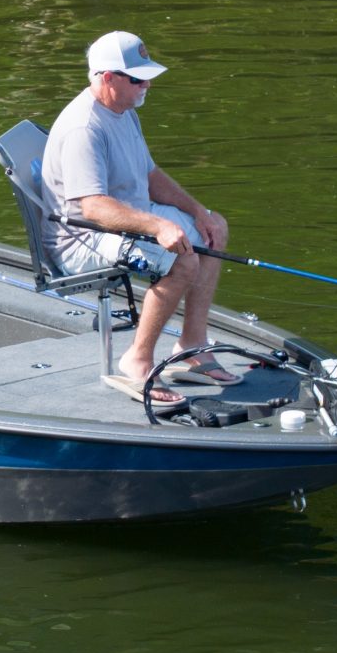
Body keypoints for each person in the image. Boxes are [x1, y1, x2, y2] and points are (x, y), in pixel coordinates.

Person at [40, 31, 231, 404]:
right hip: (82, 238)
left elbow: (150, 176)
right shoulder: (84, 128)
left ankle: (192, 346)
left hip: (126, 219)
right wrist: (158, 226)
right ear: (108, 78)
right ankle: (137, 361)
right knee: (181, 260)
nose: (147, 85)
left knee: (214, 230)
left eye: (147, 77)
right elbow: (93, 207)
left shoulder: (124, 111)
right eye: (138, 79)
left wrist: (197, 212)